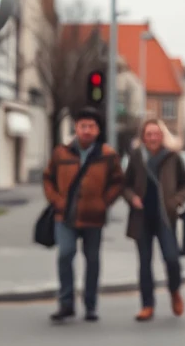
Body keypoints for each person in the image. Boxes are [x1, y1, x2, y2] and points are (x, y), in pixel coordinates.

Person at [42, 107, 124, 322]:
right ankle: (66, 303)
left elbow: (118, 182)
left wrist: (104, 203)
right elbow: (48, 178)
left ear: (98, 130)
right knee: (65, 254)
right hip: (65, 216)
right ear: (76, 128)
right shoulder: (61, 153)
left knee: (92, 260)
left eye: (91, 126)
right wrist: (56, 200)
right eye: (83, 126)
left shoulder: (108, 155)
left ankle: (90, 305)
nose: (87, 130)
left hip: (93, 217)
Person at [121, 119, 185, 321]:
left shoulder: (172, 157)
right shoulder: (136, 156)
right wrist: (132, 198)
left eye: (156, 134)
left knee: (171, 258)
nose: (152, 138)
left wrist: (176, 201)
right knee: (144, 263)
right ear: (143, 137)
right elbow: (125, 185)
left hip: (165, 217)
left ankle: (175, 291)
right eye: (148, 134)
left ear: (162, 136)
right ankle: (147, 305)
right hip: (141, 217)